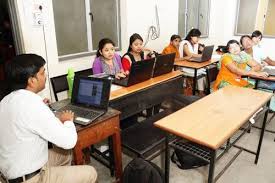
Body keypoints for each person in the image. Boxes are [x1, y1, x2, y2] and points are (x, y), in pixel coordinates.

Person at [0, 54, 97, 183]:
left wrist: (43, 108)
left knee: (65, 154)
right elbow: (69, 141)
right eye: (42, 72)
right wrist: (68, 120)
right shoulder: (33, 106)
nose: (45, 76)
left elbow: (25, 118)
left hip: (10, 171)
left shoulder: (6, 100)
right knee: (90, 172)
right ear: (31, 80)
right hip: (31, 179)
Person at [178, 29, 206, 94]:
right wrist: (201, 55)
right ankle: (200, 92)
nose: (198, 39)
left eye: (199, 37)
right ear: (191, 36)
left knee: (203, 70)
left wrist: (204, 51)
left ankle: (200, 91)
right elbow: (189, 55)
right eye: (197, 37)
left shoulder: (196, 44)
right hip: (184, 67)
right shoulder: (185, 43)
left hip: (192, 65)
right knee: (201, 71)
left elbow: (203, 50)